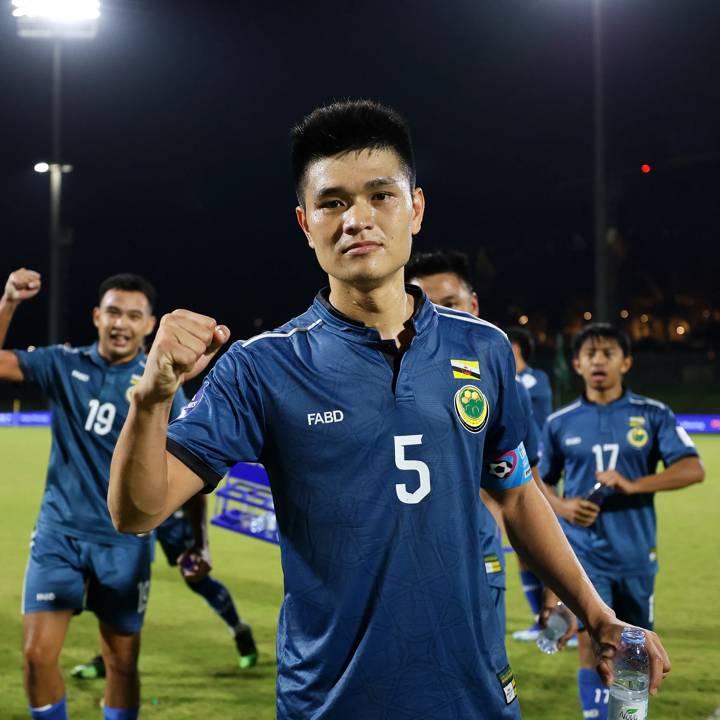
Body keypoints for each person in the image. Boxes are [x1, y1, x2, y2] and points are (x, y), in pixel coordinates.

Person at [107, 100, 671, 719]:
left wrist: (597, 615)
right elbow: (138, 511)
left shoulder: (482, 348)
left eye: (380, 196)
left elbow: (514, 493)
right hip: (333, 701)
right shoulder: (261, 366)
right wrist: (152, 398)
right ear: (305, 222)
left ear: (416, 209)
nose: (357, 220)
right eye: (332, 203)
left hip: (475, 697)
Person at [0, 269, 188, 720]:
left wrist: (192, 539)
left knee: (122, 663)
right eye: (113, 312)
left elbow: (183, 467)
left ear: (149, 324)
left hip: (124, 542)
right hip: (58, 535)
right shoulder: (64, 364)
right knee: (35, 656)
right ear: (97, 317)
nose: (122, 323)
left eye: (134, 315)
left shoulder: (162, 385)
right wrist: (8, 302)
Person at [539, 322, 704, 720]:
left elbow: (692, 468)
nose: (599, 361)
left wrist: (633, 484)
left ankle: (627, 716)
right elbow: (537, 482)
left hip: (634, 553)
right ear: (577, 364)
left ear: (625, 362)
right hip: (582, 554)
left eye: (608, 353)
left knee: (634, 649)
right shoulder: (559, 422)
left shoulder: (652, 414)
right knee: (591, 642)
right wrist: (562, 507)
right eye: (590, 355)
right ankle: (597, 716)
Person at [406, 248, 543, 638]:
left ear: (474, 304)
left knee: (483, 678)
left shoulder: (498, 381)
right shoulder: (381, 380)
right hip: (397, 568)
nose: (439, 317)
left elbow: (522, 490)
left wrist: (551, 580)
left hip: (479, 556)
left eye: (451, 304)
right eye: (425, 306)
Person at [71, 492, 257, 680]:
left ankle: (239, 629)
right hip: (134, 508)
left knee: (196, 577)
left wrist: (201, 539)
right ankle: (109, 658)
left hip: (171, 509)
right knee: (122, 581)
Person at [506, 325, 554, 642]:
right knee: (523, 549)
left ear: (517, 347)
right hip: (513, 469)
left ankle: (560, 618)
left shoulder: (533, 380)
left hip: (539, 467)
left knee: (545, 545)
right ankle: (540, 622)